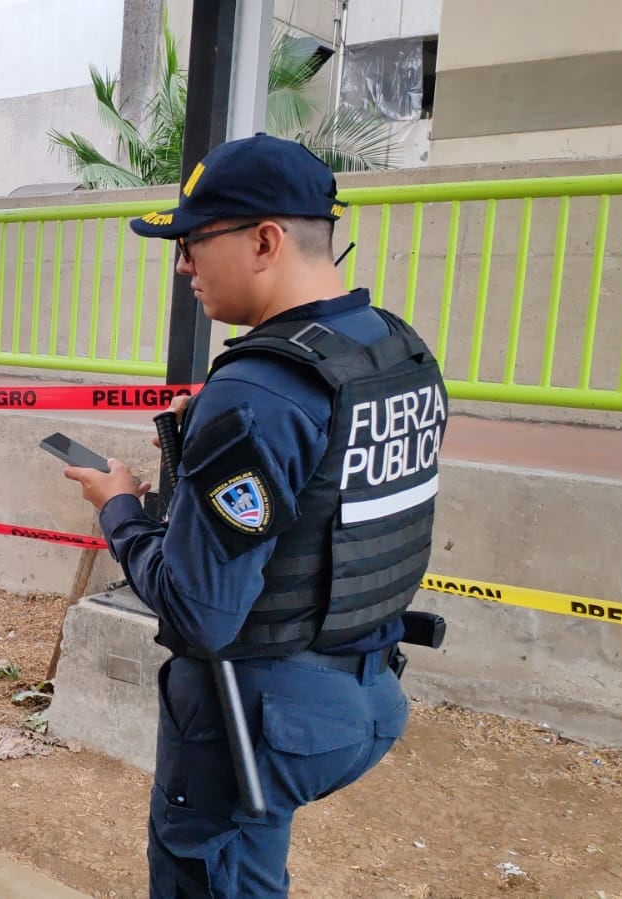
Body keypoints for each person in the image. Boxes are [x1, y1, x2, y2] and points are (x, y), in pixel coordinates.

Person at [60, 134, 448, 898]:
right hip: (364, 693)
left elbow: (199, 612)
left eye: (193, 242)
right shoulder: (391, 348)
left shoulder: (260, 391)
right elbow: (327, 495)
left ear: (264, 240)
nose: (181, 265)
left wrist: (120, 511)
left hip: (259, 716)